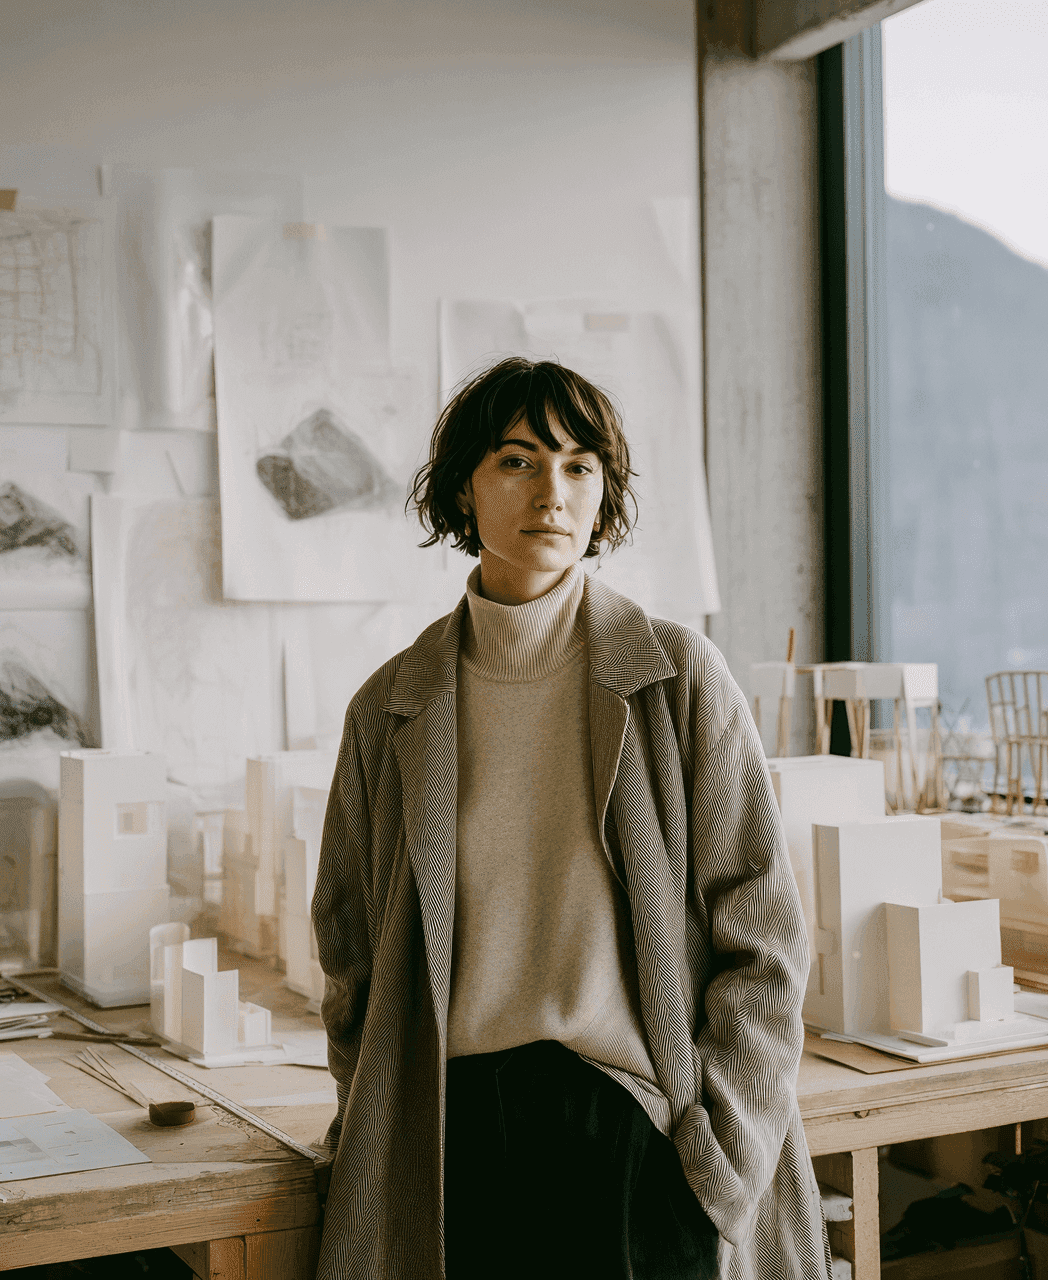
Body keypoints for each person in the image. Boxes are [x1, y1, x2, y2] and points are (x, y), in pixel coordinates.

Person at [311, 357, 831, 1280]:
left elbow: (764, 938)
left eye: (580, 465)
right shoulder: (389, 707)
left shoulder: (678, 677)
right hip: (451, 1142)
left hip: (636, 1132)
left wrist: (720, 1158)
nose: (551, 491)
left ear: (603, 495)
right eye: (517, 460)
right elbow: (349, 958)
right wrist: (370, 1121)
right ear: (463, 490)